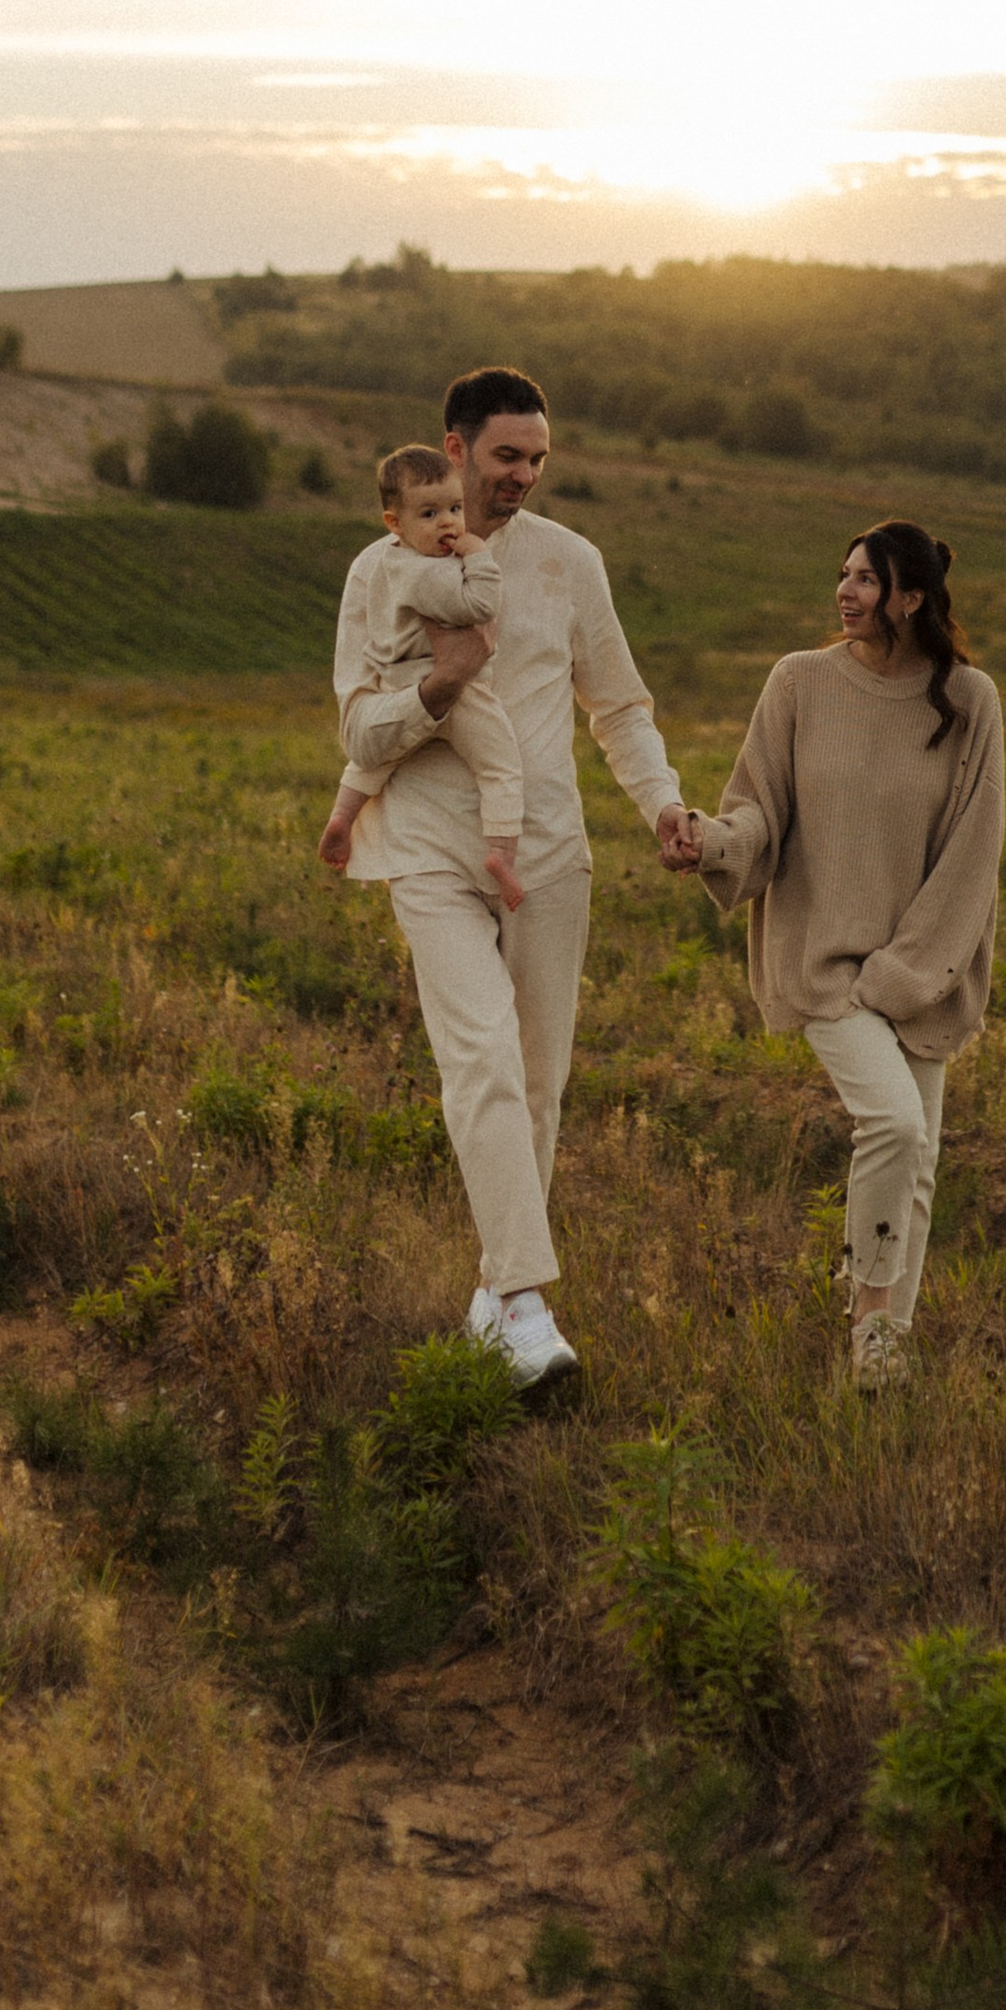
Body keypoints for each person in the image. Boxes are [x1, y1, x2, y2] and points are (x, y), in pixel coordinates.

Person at [319, 365, 695, 1391]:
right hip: (431, 847)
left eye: (537, 458)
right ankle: (529, 1310)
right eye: (505, 456)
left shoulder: (570, 563)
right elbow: (358, 729)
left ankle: (494, 1301)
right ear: (454, 449)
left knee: (536, 1083)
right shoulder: (378, 573)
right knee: (479, 1057)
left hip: (548, 850)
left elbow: (619, 708)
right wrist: (439, 687)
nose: (523, 474)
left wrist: (662, 804)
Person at [675, 521, 1003, 1391]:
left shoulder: (969, 700)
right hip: (823, 961)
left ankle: (886, 1354)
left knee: (917, 1160)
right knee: (894, 1124)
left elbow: (972, 855)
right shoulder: (799, 682)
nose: (845, 592)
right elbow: (760, 808)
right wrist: (710, 842)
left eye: (866, 580)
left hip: (922, 968)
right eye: (844, 575)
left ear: (912, 598)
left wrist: (901, 977)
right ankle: (871, 1326)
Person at [320, 443, 524, 910]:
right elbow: (480, 605)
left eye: (455, 509)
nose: (448, 524)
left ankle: (342, 816)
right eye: (429, 514)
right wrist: (478, 556)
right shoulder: (423, 572)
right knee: (500, 764)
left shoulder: (390, 564)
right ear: (395, 524)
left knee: (377, 761)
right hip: (454, 694)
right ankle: (501, 853)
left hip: (399, 686)